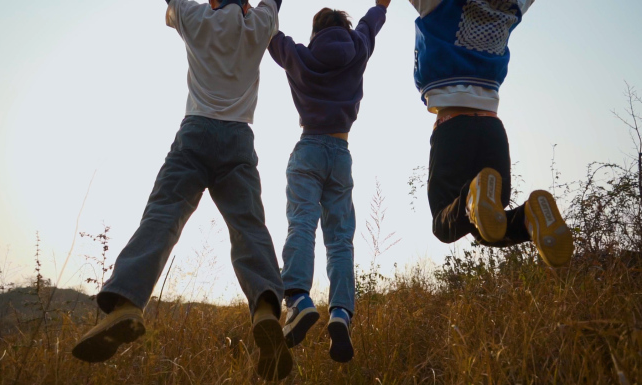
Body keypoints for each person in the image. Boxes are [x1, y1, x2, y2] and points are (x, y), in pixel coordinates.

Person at [72, 0, 293, 380]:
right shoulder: (260, 22)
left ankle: (126, 304)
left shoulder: (195, 17)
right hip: (239, 139)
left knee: (164, 214)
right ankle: (266, 310)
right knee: (249, 226)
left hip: (195, 134)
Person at [267, 0, 389, 363]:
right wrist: (382, 5)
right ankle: (340, 312)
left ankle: (300, 299)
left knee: (302, 222)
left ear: (316, 32)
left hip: (308, 149)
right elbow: (372, 22)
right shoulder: (357, 49)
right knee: (339, 239)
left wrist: (248, 9)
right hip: (341, 150)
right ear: (344, 29)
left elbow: (269, 34)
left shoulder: (300, 55)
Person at [408, 0, 574, 266]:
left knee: (444, 223)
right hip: (492, 129)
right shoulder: (511, 5)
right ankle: (529, 216)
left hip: (453, 127)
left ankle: (473, 196)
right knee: (487, 227)